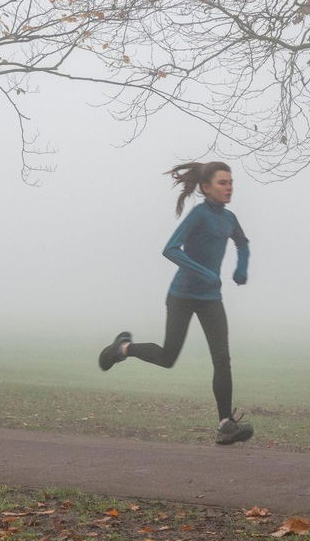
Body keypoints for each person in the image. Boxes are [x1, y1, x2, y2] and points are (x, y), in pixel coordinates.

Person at [97, 161, 254, 445]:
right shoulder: (199, 215)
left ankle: (224, 425)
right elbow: (170, 249)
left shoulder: (229, 218)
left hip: (210, 299)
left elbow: (242, 243)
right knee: (168, 357)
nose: (229, 187)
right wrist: (206, 273)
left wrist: (241, 268)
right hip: (182, 295)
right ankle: (121, 348)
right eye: (222, 182)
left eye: (231, 182)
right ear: (206, 188)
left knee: (222, 359)